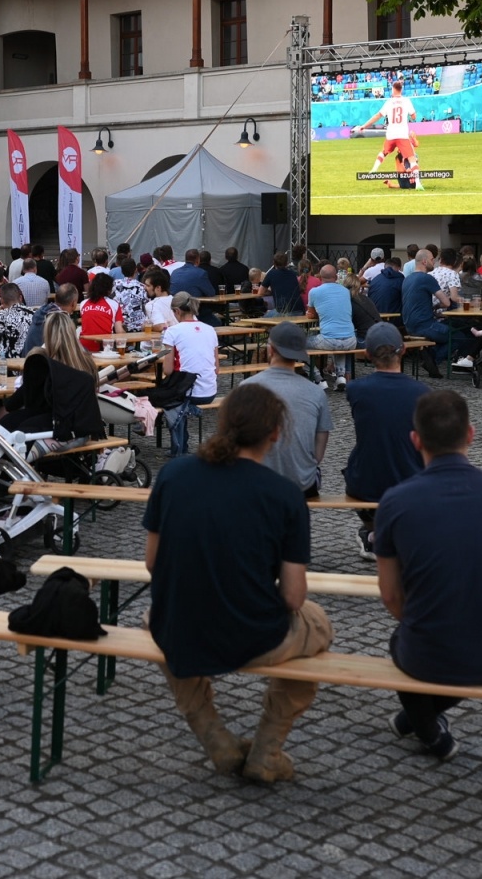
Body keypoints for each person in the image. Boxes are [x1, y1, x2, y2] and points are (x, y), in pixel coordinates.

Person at [143, 381, 335, 783]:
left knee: (157, 619)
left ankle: (214, 736)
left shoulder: (174, 474)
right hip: (255, 635)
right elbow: (294, 596)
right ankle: (267, 749)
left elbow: (152, 564)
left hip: (186, 627)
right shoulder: (285, 495)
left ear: (222, 424)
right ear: (276, 433)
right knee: (318, 622)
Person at [376, 389, 482, 759]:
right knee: (447, 641)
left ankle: (426, 726)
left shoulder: (395, 501)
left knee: (405, 641)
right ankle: (421, 723)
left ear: (415, 441)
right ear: (471, 434)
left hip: (427, 651)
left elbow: (391, 596)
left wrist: (420, 619)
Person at [342, 323, 432, 559]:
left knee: (354, 470)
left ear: (367, 354)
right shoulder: (422, 392)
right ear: (402, 351)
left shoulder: (356, 390)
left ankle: (373, 533)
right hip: (410, 478)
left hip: (366, 481)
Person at [242, 322, 332, 497]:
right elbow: (321, 440)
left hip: (260, 481)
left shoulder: (247, 387)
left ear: (271, 350)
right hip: (304, 483)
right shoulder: (316, 393)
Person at [161, 293, 219, 457]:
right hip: (210, 391)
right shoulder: (210, 329)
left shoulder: (172, 331)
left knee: (167, 398)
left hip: (190, 392)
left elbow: (167, 370)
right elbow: (217, 369)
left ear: (177, 311)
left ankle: (178, 448)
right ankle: (188, 414)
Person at [354, 79, 419, 186]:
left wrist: (364, 126)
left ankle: (373, 170)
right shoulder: (407, 101)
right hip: (402, 134)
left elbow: (377, 115)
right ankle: (418, 184)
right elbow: (414, 116)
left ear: (393, 90)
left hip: (391, 134)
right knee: (412, 158)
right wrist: (411, 115)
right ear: (401, 90)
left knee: (383, 152)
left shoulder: (389, 102)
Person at [305, 264, 356, 388]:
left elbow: (311, 314)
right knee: (339, 340)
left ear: (320, 277)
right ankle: (340, 376)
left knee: (297, 344)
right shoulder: (345, 291)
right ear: (336, 276)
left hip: (329, 340)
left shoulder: (315, 292)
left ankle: (318, 378)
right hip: (351, 340)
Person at [400, 251, 449, 377]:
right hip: (424, 325)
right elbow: (446, 302)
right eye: (432, 259)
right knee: (457, 335)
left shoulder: (407, 279)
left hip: (409, 326)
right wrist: (437, 306)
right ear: (424, 261)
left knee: (443, 332)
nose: (435, 262)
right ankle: (432, 361)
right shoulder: (427, 278)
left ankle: (430, 360)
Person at [0, 282, 35, 359]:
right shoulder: (34, 314)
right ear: (20, 298)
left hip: (9, 366)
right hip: (32, 363)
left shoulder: (3, 315)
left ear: (1, 300)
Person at [78, 273, 123, 351]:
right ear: (109, 289)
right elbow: (119, 331)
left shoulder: (83, 303)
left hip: (83, 348)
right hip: (105, 348)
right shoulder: (114, 304)